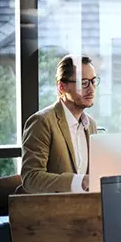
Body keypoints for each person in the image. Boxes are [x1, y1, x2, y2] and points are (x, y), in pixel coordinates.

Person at [20, 55, 99, 194]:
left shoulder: (91, 124)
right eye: (83, 83)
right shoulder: (42, 122)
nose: (91, 89)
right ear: (62, 86)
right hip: (53, 211)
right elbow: (31, 178)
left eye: (93, 81)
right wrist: (80, 182)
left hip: (86, 209)